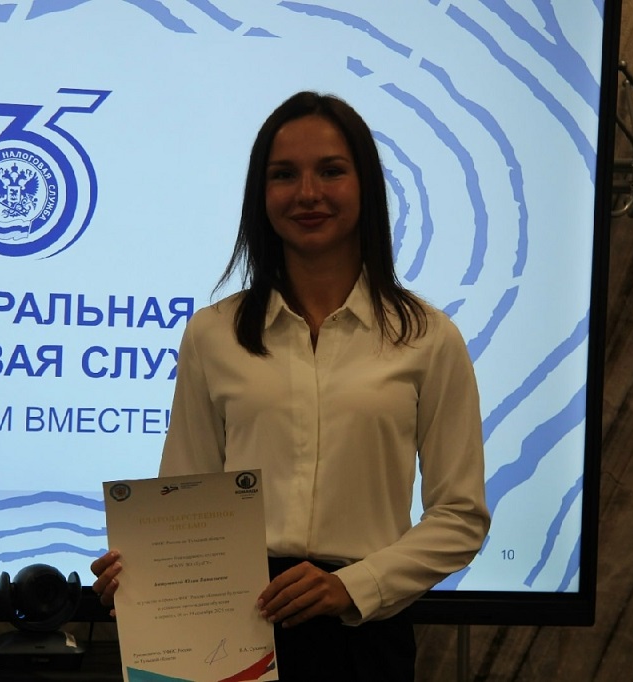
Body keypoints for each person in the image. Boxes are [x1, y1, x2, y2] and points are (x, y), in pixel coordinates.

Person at [91, 91, 490, 681]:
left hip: (364, 638)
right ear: (261, 195)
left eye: (330, 171)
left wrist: (352, 586)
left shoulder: (429, 338)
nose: (307, 193)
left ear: (366, 187)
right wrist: (143, 573)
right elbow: (182, 504)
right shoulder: (212, 334)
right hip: (232, 629)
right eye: (283, 175)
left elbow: (460, 517)